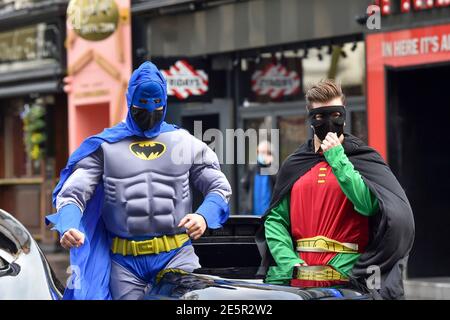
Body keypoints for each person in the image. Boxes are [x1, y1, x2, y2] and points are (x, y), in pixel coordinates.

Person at [46, 61, 232, 300]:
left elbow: (219, 186)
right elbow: (72, 194)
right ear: (129, 100)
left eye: (157, 105)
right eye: (142, 105)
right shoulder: (105, 146)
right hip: (124, 262)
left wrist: (203, 215)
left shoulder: (185, 143)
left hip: (176, 255)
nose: (150, 111)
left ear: (165, 103)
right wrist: (70, 225)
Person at [256, 79, 414, 299]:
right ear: (310, 119)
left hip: (348, 282)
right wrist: (289, 261)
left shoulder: (363, 159)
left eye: (336, 115)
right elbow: (276, 220)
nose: (329, 123)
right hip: (299, 284)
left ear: (345, 117)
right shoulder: (295, 164)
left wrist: (337, 157)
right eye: (320, 116)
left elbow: (369, 206)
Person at [241, 140, 276, 216]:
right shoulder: (252, 169)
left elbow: (278, 185)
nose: (261, 155)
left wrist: (270, 165)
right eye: (259, 152)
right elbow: (244, 187)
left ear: (269, 154)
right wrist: (246, 205)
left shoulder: (273, 170)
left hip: (269, 216)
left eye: (263, 152)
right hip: (252, 215)